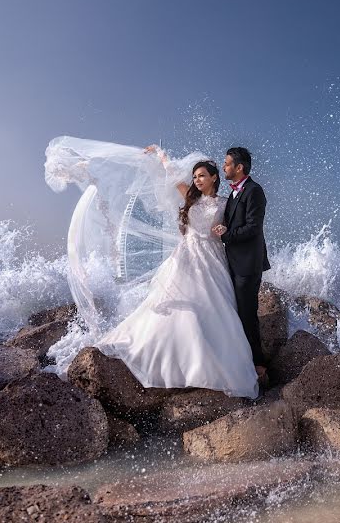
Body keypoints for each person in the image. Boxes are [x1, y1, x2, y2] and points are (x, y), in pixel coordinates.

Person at [93, 147, 260, 399]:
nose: (197, 180)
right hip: (186, 257)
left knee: (213, 309)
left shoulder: (227, 204)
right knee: (176, 307)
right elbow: (171, 175)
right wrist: (161, 156)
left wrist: (225, 232)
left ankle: (210, 364)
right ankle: (165, 356)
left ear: (214, 177)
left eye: (202, 175)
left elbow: (238, 227)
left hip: (213, 258)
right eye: (195, 177)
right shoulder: (190, 198)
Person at [211, 147, 271, 385]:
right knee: (236, 312)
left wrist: (226, 234)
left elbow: (253, 228)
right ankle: (242, 361)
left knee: (247, 314)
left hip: (248, 264)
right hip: (233, 262)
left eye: (226, 164)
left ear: (239, 168)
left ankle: (260, 366)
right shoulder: (235, 194)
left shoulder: (254, 191)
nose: (223, 167)